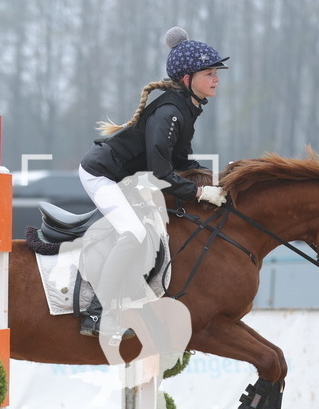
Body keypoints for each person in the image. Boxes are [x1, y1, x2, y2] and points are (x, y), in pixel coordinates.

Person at [77, 26, 229, 345]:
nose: (217, 79)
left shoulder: (187, 107)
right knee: (134, 233)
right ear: (188, 78)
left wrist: (218, 181)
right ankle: (96, 313)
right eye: (210, 73)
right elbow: (163, 173)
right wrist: (200, 192)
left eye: (217, 73)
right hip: (101, 174)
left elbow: (183, 163)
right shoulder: (171, 112)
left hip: (124, 178)